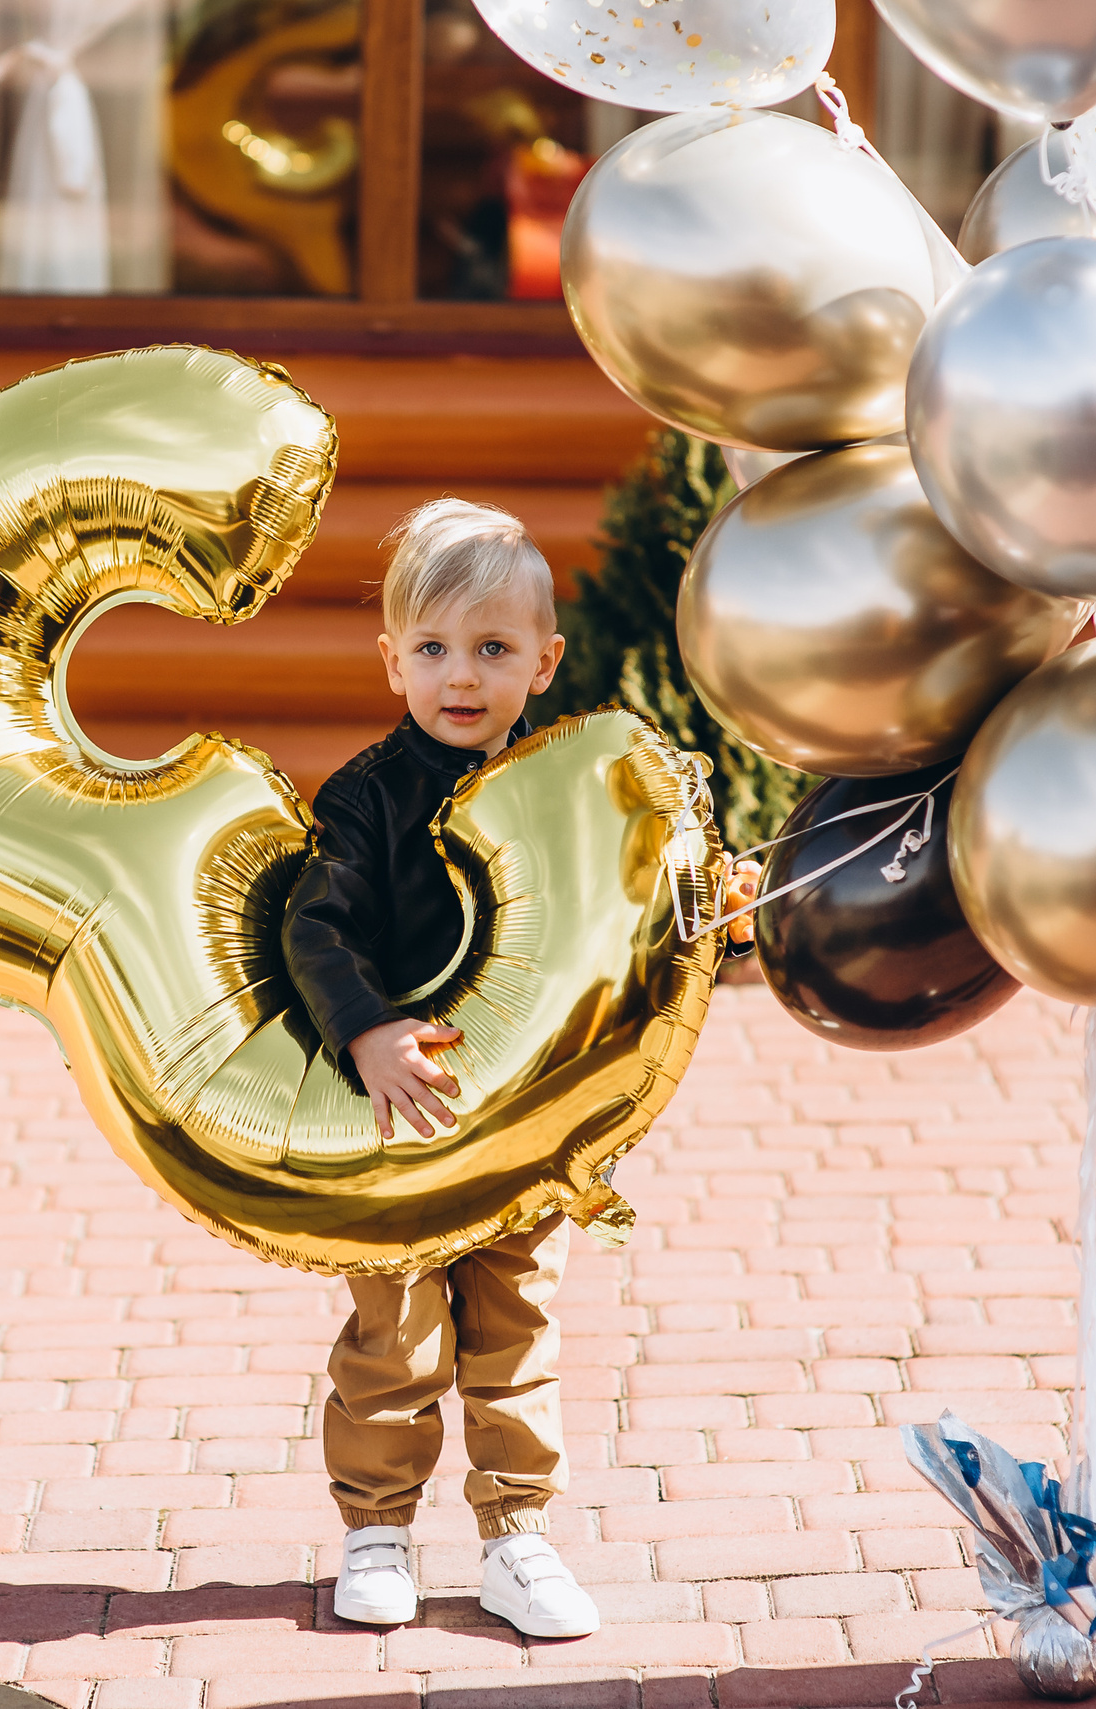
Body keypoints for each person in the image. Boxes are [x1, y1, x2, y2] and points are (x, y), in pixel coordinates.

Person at [279, 497, 763, 1639]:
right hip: (400, 1114)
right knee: (393, 1336)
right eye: (435, 648)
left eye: (493, 649)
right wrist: (365, 1027)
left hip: (527, 1117)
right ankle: (377, 1530)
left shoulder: (576, 786)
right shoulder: (361, 796)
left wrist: (720, 921)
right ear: (390, 658)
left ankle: (515, 1534)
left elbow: (629, 910)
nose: (462, 674)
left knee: (514, 1323)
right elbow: (317, 927)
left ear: (542, 661)